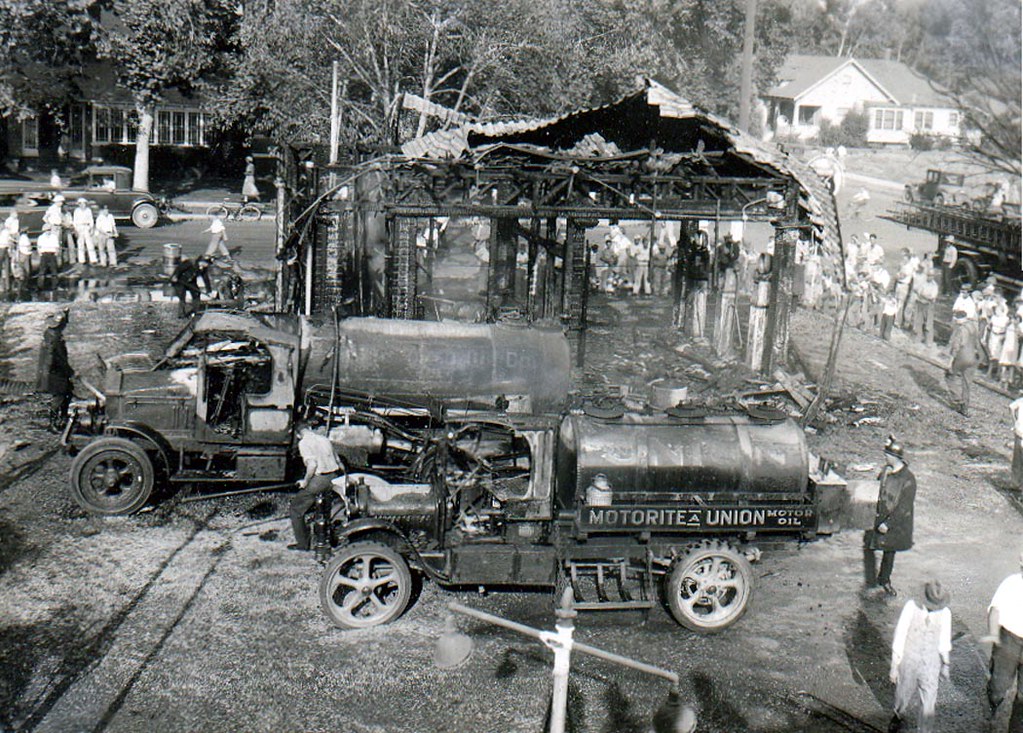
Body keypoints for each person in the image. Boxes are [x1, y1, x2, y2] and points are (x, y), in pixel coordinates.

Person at [887, 581, 952, 733]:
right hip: (909, 658)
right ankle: (898, 714)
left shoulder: (945, 612)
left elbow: (944, 640)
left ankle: (925, 730)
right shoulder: (911, 607)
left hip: (931, 661)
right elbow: (900, 635)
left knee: (929, 700)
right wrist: (894, 666)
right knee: (903, 693)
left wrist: (946, 664)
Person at [864, 435, 916, 596]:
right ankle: (871, 578)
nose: (885, 457)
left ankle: (885, 580)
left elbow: (904, 507)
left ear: (895, 457)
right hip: (880, 514)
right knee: (870, 545)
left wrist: (888, 523)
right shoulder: (886, 471)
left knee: (889, 551)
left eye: (887, 455)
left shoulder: (908, 479)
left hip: (894, 522)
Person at [981, 550, 1023, 732]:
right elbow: (995, 609)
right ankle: (992, 708)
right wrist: (992, 633)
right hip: (1009, 640)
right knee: (999, 685)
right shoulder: (1011, 583)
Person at [289, 418, 342, 551]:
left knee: (296, 509)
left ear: (298, 434)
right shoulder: (324, 439)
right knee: (326, 508)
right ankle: (327, 537)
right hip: (334, 476)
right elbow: (338, 460)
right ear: (310, 428)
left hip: (320, 479)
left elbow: (312, 465)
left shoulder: (304, 443)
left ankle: (303, 544)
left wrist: (305, 481)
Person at [36, 308, 74, 432]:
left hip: (53, 370)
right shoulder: (55, 339)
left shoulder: (49, 333)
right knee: (59, 396)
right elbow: (60, 359)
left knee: (67, 392)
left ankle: (62, 418)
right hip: (55, 372)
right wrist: (71, 372)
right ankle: (53, 423)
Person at [947, 307, 982, 415]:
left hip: (962, 357)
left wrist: (950, 363)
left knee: (949, 376)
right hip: (973, 358)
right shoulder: (974, 327)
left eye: (956, 319)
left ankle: (958, 400)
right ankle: (965, 408)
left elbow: (956, 347)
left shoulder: (961, 329)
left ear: (959, 319)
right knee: (966, 383)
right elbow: (977, 344)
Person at [911, 265, 939, 346]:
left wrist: (923, 295)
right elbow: (917, 290)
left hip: (929, 306)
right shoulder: (923, 282)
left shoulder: (935, 286)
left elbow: (932, 297)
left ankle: (928, 342)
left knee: (928, 324)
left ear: (933, 276)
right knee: (918, 322)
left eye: (931, 276)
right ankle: (917, 338)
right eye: (928, 275)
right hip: (920, 303)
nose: (929, 277)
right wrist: (923, 295)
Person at [72, 197, 97, 265]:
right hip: (79, 227)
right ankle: (81, 260)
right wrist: (76, 229)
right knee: (80, 244)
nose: (83, 205)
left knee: (90, 244)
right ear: (79, 204)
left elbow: (91, 219)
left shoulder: (88, 210)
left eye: (84, 203)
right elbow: (74, 221)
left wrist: (91, 228)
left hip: (87, 227)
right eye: (81, 204)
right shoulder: (76, 211)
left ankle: (93, 259)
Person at [36, 225, 61, 290]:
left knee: (54, 271)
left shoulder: (54, 237)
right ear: (44, 231)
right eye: (47, 230)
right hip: (44, 255)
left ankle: (55, 286)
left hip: (52, 254)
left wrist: (56, 253)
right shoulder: (41, 237)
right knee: (42, 271)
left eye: (49, 230)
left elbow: (57, 246)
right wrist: (40, 254)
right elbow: (38, 247)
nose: (48, 231)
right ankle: (40, 286)